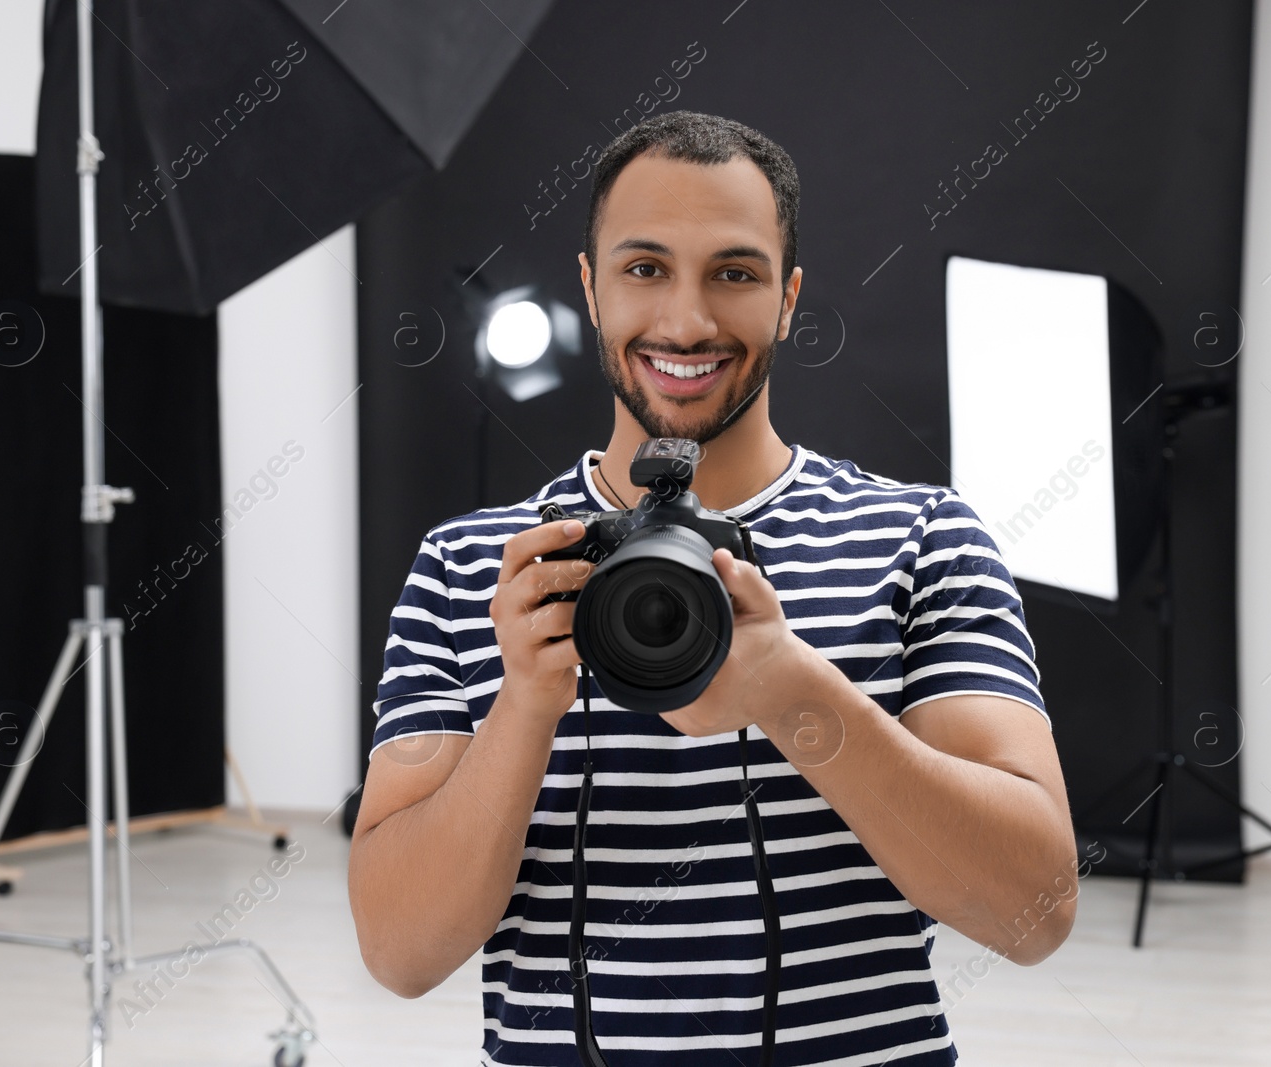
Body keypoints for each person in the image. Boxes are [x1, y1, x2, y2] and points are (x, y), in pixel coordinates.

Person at [348, 110, 1078, 1066]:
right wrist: (525, 706)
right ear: (591, 288)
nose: (686, 322)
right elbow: (400, 952)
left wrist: (794, 692)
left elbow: (1035, 911)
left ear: (787, 298)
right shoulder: (470, 568)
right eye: (644, 268)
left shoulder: (922, 538)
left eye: (734, 273)